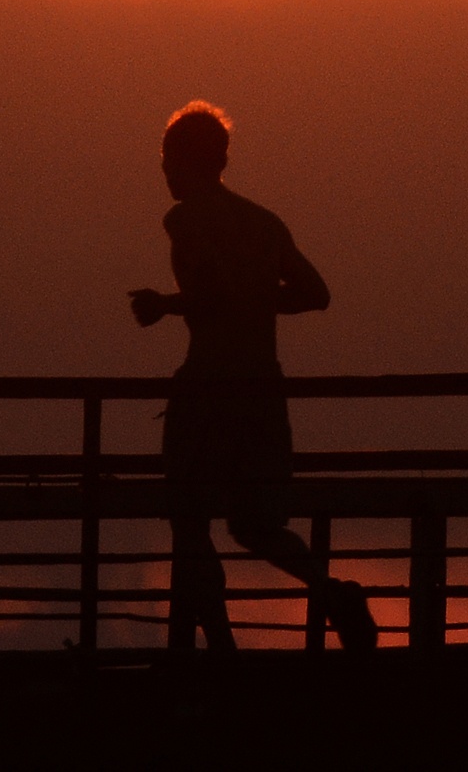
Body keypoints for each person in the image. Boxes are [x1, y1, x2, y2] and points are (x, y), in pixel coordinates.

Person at [128, 101, 378, 652]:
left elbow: (210, 293)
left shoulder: (185, 219)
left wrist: (163, 306)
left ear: (183, 161)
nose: (164, 171)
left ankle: (220, 650)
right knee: (257, 524)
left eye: (167, 159)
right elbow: (316, 294)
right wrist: (257, 296)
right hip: (263, 387)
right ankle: (332, 594)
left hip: (210, 386)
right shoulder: (265, 223)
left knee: (190, 523)